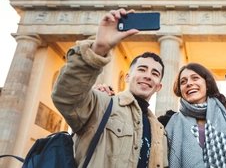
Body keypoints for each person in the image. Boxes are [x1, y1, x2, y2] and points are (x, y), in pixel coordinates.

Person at [52, 9, 168, 168]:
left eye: (155, 73)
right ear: (127, 77)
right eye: (142, 69)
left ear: (159, 86)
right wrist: (97, 50)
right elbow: (67, 96)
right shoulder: (101, 105)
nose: (148, 76)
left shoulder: (159, 131)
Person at [165, 63, 226, 168]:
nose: (189, 83)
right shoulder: (169, 122)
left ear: (207, 84)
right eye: (183, 82)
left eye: (195, 78)